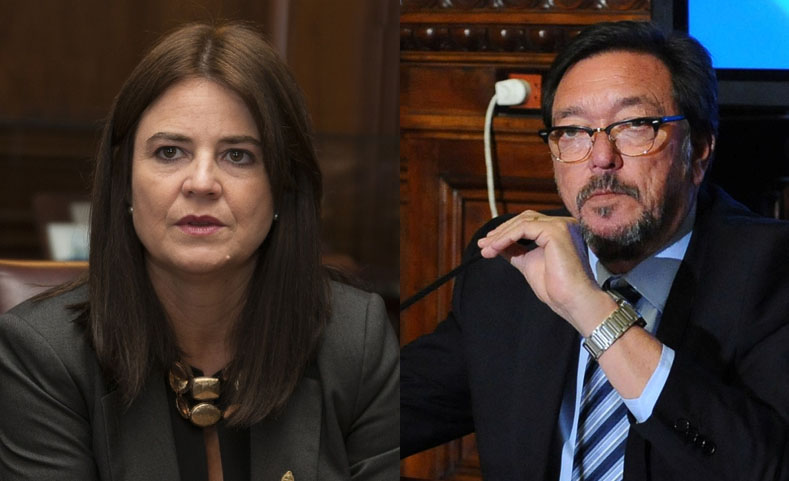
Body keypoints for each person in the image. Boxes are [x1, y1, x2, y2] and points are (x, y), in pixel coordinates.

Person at [0, 22, 399, 481]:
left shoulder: (356, 341)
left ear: (283, 186)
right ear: (124, 180)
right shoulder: (44, 355)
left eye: (238, 155)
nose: (202, 183)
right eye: (170, 152)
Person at [401, 20, 789, 481]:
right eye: (572, 131)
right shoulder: (514, 266)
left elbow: (766, 466)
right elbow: (380, 413)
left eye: (634, 126)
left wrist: (591, 309)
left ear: (699, 149)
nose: (600, 157)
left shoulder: (772, 270)